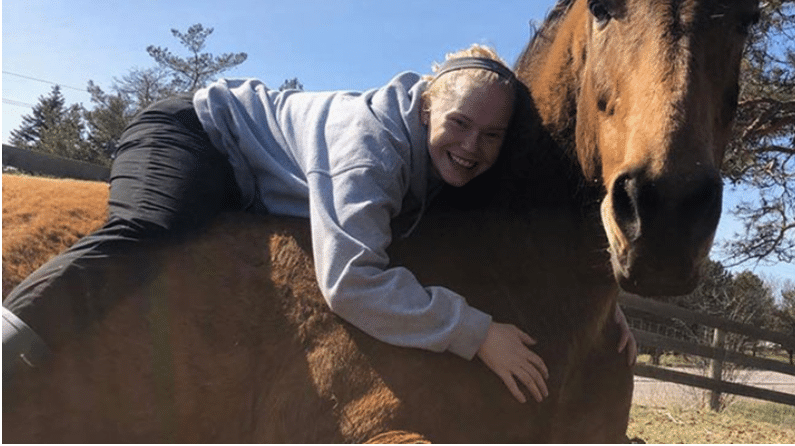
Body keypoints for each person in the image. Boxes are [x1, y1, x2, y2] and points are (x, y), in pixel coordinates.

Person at [3, 44, 636, 403]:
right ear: (424, 109)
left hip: (253, 181)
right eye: (460, 125)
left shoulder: (452, 165)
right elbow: (351, 284)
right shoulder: (368, 147)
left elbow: (511, 233)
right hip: (198, 136)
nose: (472, 146)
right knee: (156, 231)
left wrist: (607, 306)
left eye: (491, 135)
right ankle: (13, 336)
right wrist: (475, 334)